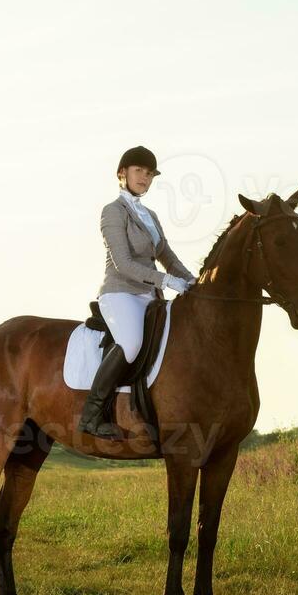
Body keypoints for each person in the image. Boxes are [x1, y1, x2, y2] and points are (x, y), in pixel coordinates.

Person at [77, 145, 197, 440]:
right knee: (130, 343)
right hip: (121, 293)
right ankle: (92, 415)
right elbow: (124, 263)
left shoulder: (150, 215)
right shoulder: (113, 212)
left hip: (150, 296)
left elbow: (167, 255)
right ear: (123, 174)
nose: (145, 177)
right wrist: (167, 281)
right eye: (139, 171)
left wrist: (193, 281)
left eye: (149, 173)